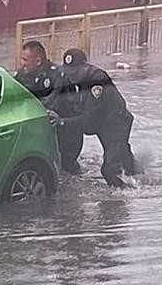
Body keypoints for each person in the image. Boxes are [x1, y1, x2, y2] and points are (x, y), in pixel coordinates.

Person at [53, 48, 139, 188]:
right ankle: (137, 176)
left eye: (76, 72)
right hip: (100, 123)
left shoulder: (96, 81)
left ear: (86, 67)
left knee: (109, 170)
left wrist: (62, 122)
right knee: (123, 157)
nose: (72, 76)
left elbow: (89, 119)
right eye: (70, 72)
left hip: (115, 124)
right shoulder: (69, 80)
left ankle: (125, 199)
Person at [15, 41, 83, 174]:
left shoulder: (57, 75)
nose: (22, 63)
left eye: (25, 59)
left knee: (67, 167)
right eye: (21, 59)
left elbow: (51, 103)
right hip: (46, 128)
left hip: (67, 129)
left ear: (38, 61)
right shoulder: (22, 74)